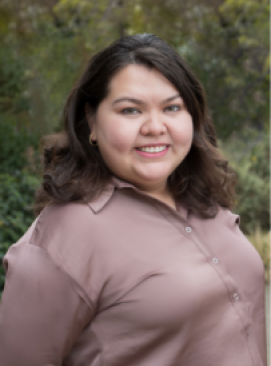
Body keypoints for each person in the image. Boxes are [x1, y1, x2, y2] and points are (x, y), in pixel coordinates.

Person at [0, 34, 267, 366]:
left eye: (172, 107)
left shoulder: (203, 200)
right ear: (92, 122)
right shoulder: (64, 238)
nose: (155, 127)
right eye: (130, 110)